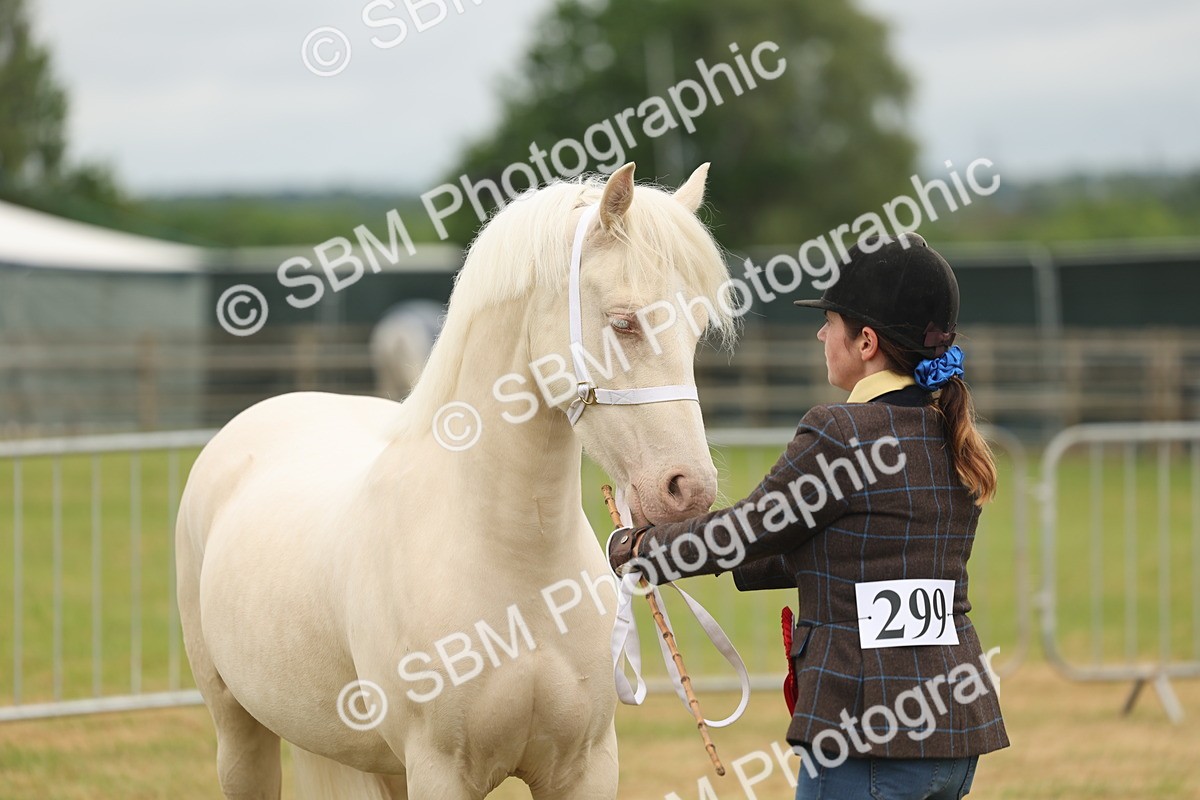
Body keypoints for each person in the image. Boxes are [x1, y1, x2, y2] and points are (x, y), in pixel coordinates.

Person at [608, 233, 1009, 800]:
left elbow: (746, 531)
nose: (823, 333)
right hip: (954, 730)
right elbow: (846, 552)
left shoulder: (839, 432)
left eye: (832, 321)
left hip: (869, 737)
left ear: (866, 341)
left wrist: (639, 550)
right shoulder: (950, 435)